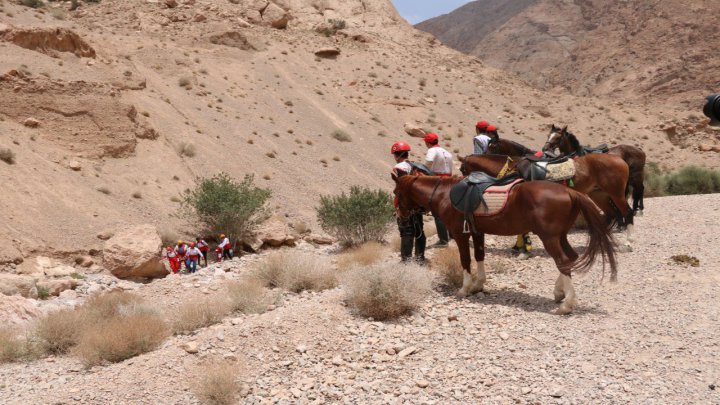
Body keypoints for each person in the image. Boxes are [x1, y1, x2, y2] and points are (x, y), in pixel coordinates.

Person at [390, 141, 427, 263]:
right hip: (418, 203)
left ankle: (406, 262)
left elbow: (401, 190)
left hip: (405, 204)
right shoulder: (416, 166)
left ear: (396, 155)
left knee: (406, 231)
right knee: (419, 230)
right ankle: (420, 258)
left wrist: (399, 207)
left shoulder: (398, 168)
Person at [423, 132, 452, 248]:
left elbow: (427, 165)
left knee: (437, 211)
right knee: (449, 210)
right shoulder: (447, 152)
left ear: (427, 142)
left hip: (438, 182)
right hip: (449, 182)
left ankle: (443, 240)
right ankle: (452, 235)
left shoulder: (431, 151)